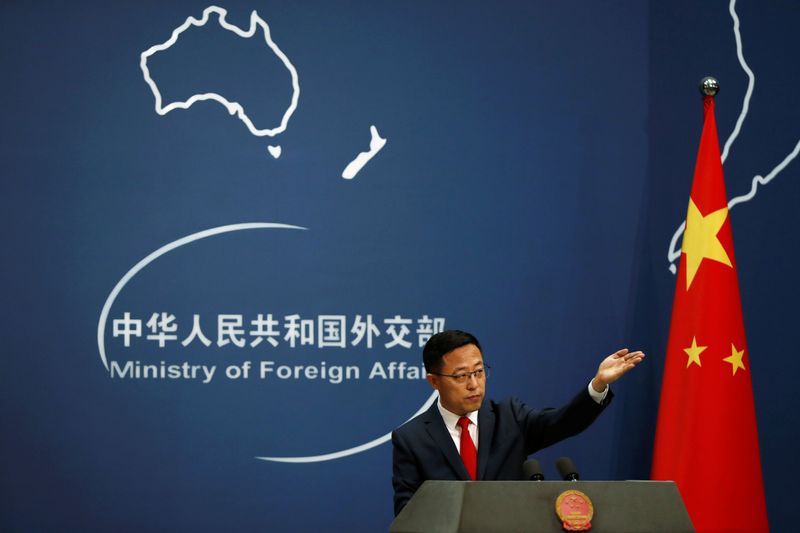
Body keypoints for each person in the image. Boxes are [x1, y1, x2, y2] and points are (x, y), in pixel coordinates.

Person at [391, 330, 644, 515]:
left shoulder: (509, 417)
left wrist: (598, 384)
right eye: (461, 376)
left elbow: (562, 423)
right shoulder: (412, 438)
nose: (474, 384)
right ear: (434, 381)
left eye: (479, 372)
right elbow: (407, 512)